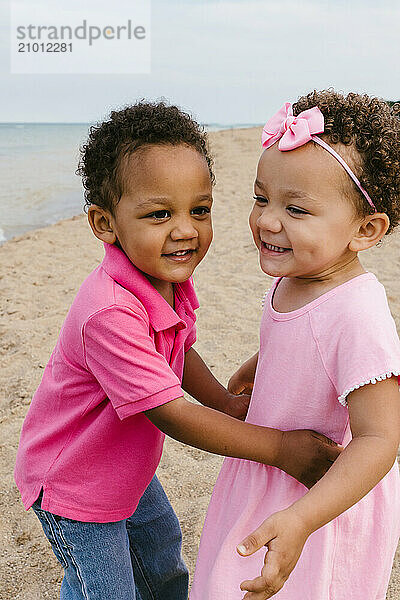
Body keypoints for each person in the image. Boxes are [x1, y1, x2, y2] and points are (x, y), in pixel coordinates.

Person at [13, 100, 340, 600]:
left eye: (199, 210)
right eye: (160, 214)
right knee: (106, 589)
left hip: (126, 467)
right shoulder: (110, 312)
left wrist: (227, 404)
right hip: (73, 485)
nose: (185, 230)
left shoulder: (166, 279)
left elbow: (178, 350)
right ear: (105, 224)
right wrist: (279, 449)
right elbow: (172, 413)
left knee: (163, 568)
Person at [190, 90, 400, 600]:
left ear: (365, 230)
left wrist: (304, 518)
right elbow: (305, 336)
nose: (266, 221)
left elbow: (380, 439)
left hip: (318, 488)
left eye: (297, 209)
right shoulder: (296, 276)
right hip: (267, 469)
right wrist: (262, 362)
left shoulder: (357, 313)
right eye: (262, 198)